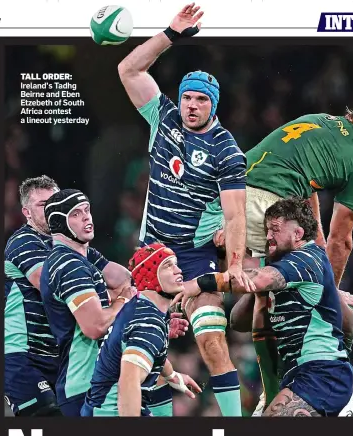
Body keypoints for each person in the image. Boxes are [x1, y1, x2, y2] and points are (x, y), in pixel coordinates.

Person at [222, 90, 353, 412]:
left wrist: (315, 238)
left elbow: (309, 188)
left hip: (231, 190)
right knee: (270, 292)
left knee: (263, 295)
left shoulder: (322, 122)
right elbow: (341, 241)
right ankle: (271, 389)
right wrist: (326, 292)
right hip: (264, 203)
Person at [117, 2, 253, 416]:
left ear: (213, 105)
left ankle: (234, 420)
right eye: (187, 98)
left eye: (200, 100)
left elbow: (234, 216)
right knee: (147, 344)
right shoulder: (165, 118)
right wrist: (170, 34)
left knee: (211, 341)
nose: (191, 105)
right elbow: (129, 70)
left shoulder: (227, 151)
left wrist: (232, 267)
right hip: (152, 253)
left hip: (194, 258)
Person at [174, 197, 353, 417]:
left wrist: (198, 283)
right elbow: (237, 321)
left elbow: (255, 279)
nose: (268, 236)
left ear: (298, 234)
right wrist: (259, 290)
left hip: (322, 373)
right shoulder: (281, 270)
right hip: (299, 375)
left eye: (275, 229)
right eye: (267, 229)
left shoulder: (306, 259)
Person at [40, 189, 135, 416]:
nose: (86, 217)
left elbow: (126, 279)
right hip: (86, 385)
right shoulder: (68, 265)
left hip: (99, 382)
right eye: (76, 213)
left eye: (87, 210)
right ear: (59, 223)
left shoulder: (82, 256)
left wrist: (118, 295)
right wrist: (123, 298)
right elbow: (95, 326)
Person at [81, 243, 202, 417]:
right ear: (150, 277)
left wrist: (171, 375)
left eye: (176, 264)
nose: (178, 270)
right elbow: (128, 383)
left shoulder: (142, 307)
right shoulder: (148, 323)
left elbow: (146, 352)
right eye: (168, 265)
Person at [4, 175, 61, 416]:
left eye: (56, 203)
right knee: (45, 416)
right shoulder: (23, 241)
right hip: (22, 355)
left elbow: (115, 279)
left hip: (58, 354)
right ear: (27, 212)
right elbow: (49, 286)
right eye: (42, 205)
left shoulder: (69, 244)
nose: (52, 210)